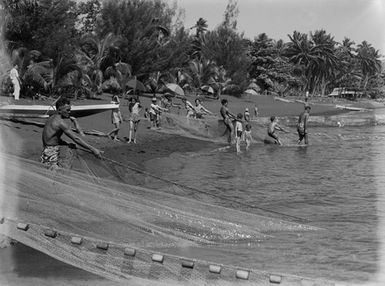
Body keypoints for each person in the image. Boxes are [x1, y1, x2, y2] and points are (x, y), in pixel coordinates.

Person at [41, 97, 103, 170]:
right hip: (51, 152)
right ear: (59, 110)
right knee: (55, 176)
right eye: (67, 110)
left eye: (70, 109)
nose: (69, 112)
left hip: (46, 150)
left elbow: (51, 137)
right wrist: (93, 149)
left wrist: (65, 143)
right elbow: (76, 138)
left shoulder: (51, 118)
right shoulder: (61, 122)